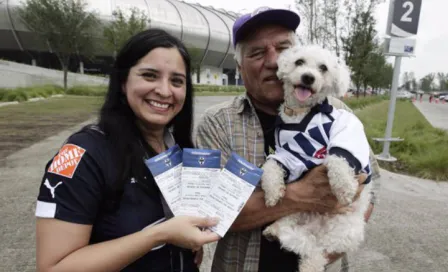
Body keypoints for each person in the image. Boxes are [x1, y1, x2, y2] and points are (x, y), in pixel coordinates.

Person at [195, 7, 381, 272]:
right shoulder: (217, 123)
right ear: (239, 66)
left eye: (283, 48)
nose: (272, 61)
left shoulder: (337, 112)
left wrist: (326, 251)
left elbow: (374, 187)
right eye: (257, 53)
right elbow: (213, 213)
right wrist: (299, 196)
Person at [34, 29, 220, 272]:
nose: (165, 91)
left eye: (177, 81)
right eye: (150, 76)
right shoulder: (82, 155)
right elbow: (52, 268)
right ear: (123, 82)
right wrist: (159, 235)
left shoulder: (178, 148)